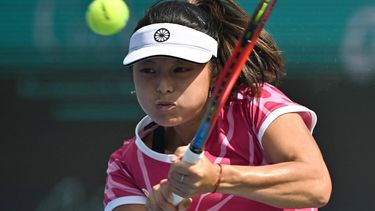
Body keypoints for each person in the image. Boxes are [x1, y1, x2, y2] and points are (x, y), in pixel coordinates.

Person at [103, 0, 332, 210]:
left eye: (180, 69)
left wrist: (218, 178)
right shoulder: (124, 165)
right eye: (148, 70)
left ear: (215, 72)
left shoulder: (256, 104)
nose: (163, 86)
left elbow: (316, 184)